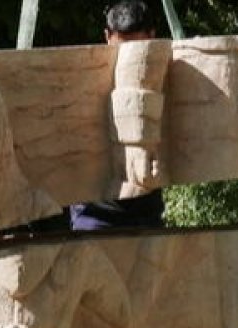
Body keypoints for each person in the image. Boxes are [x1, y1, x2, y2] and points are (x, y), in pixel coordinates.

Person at [69, 0, 166, 231]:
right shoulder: (80, 79)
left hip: (147, 211)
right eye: (122, 48)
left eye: (138, 51)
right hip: (95, 214)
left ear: (152, 37)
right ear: (107, 36)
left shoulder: (170, 72)